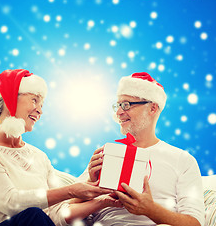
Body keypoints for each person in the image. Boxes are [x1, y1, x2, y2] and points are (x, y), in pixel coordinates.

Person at [0, 69, 121, 226]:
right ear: (10, 99)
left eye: (41, 104)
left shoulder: (39, 156)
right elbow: (10, 203)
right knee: (33, 215)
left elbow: (56, 212)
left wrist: (103, 201)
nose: (40, 110)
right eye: (34, 100)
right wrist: (71, 190)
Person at [81, 72, 205, 226]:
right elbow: (65, 210)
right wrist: (89, 183)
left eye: (126, 105)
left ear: (152, 108)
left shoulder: (182, 160)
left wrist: (150, 209)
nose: (118, 112)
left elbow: (196, 223)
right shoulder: (106, 155)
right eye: (117, 105)